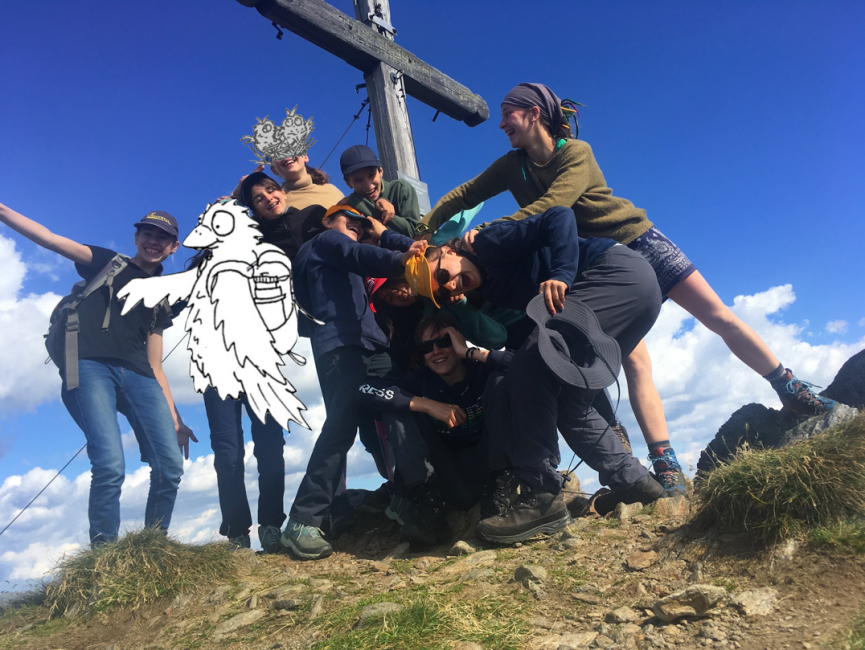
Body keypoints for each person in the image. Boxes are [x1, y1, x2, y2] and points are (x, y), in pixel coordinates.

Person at [417, 82, 835, 496]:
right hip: (593, 267)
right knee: (634, 364)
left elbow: (556, 204)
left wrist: (495, 228)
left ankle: (788, 386)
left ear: (534, 113)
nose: (501, 124)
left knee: (717, 316)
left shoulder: (576, 153)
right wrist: (424, 229)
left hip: (636, 240)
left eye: (508, 113)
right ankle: (665, 464)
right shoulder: (513, 166)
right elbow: (466, 193)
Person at [411, 205, 665, 542]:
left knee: (528, 366)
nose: (453, 285)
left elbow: (559, 216)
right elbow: (497, 335)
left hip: (613, 273)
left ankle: (541, 495)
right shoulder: (486, 288)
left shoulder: (484, 245)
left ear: (447, 251)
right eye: (444, 292)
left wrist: (561, 274)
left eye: (444, 276)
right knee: (570, 402)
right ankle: (635, 483)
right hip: (638, 294)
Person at [0, 202, 195, 546]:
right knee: (109, 463)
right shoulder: (108, 262)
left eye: (162, 237)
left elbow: (156, 364)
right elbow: (50, 239)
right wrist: (3, 211)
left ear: (174, 247)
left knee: (170, 465)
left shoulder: (162, 295)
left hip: (139, 375)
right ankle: (104, 553)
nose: (153, 241)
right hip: (89, 366)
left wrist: (176, 420)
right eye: (147, 233)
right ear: (136, 237)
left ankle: (154, 546)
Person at [283, 205, 426, 560]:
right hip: (342, 345)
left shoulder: (334, 258)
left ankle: (406, 493)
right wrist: (402, 258)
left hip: (367, 344)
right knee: (342, 426)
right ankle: (302, 519)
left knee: (396, 406)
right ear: (328, 221)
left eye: (362, 228)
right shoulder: (324, 242)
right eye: (350, 223)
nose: (357, 231)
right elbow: (358, 254)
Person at [356, 314, 514, 547]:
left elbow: (523, 367)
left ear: (458, 340)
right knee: (396, 407)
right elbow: (364, 391)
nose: (436, 351)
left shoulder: (481, 371)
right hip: (446, 474)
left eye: (444, 342)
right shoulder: (421, 382)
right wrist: (427, 405)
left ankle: (500, 498)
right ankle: (428, 509)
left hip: (489, 467)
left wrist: (469, 352)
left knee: (501, 381)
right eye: (427, 347)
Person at [339, 145, 421, 238]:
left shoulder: (400, 189)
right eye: (358, 180)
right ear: (348, 183)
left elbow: (413, 232)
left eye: (371, 175)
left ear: (380, 171)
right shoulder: (349, 207)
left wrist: (360, 203)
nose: (368, 186)